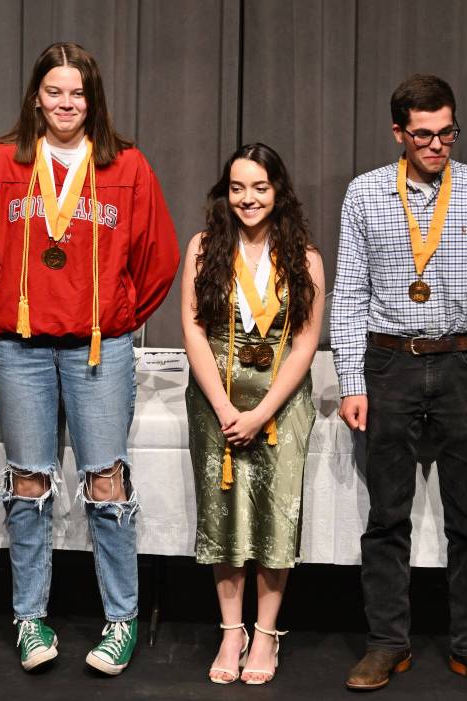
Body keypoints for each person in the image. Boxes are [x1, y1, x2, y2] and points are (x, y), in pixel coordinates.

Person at [0, 41, 179, 675]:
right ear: (36, 96)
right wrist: (11, 296)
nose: (65, 103)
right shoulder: (2, 162)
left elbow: (158, 255)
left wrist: (115, 311)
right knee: (28, 484)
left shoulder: (127, 167)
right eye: (54, 91)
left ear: (93, 100)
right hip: (20, 348)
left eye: (77, 93)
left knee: (106, 483)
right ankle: (31, 618)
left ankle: (120, 620)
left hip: (98, 349)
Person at [332, 74, 467, 694]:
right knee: (387, 517)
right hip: (389, 363)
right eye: (424, 135)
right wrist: (351, 381)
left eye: (447, 133)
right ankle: (388, 644)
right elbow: (350, 297)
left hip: (466, 363)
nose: (437, 145)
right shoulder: (364, 195)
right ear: (399, 133)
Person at [181, 143, 323, 685]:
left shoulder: (304, 255)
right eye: (238, 187)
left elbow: (307, 342)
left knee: (275, 518)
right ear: (225, 192)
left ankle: (266, 636)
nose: (248, 198)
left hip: (281, 405)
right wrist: (222, 404)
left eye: (260, 187)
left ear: (278, 191)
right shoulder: (203, 247)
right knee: (225, 516)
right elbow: (193, 328)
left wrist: (263, 410)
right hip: (215, 402)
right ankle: (230, 631)